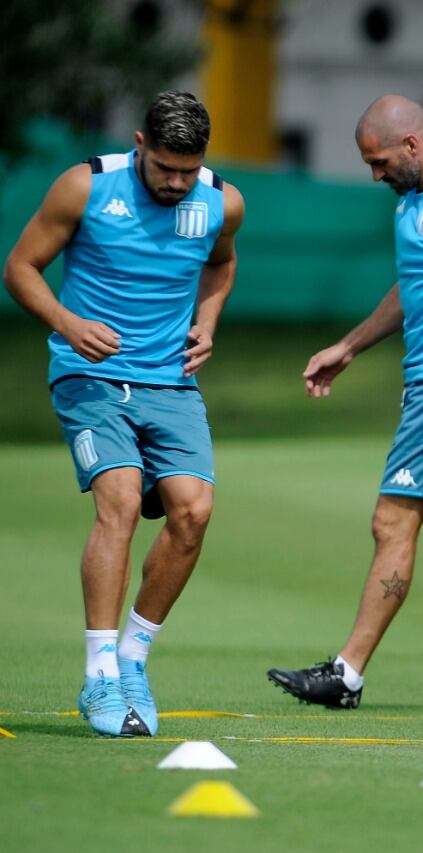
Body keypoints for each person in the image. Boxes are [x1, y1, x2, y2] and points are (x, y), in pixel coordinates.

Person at [266, 95, 423, 711]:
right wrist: (350, 346)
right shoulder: (414, 203)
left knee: (392, 521)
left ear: (411, 144)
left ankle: (346, 674)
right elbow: (415, 286)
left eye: (379, 161)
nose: (375, 175)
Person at [3, 91, 244, 737]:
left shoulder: (222, 200)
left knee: (193, 510)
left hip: (170, 379)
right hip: (91, 374)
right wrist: (65, 321)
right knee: (119, 501)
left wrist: (208, 321)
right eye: (165, 167)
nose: (176, 182)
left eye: (188, 171)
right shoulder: (84, 187)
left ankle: (134, 656)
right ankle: (100, 673)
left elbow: (222, 264)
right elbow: (20, 267)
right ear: (140, 144)